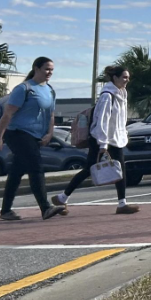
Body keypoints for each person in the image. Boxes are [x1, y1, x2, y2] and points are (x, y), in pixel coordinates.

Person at [53, 65, 138, 215]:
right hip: (102, 139)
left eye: (128, 78)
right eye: (124, 77)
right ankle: (62, 197)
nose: (127, 80)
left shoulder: (121, 94)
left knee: (120, 169)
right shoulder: (107, 96)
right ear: (115, 78)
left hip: (116, 139)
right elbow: (102, 121)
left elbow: (120, 119)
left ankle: (122, 204)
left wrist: (123, 134)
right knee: (88, 170)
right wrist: (103, 144)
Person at [0, 57, 66, 221]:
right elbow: (7, 114)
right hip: (17, 133)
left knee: (16, 172)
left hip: (35, 136)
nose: (49, 73)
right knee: (36, 167)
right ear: (36, 68)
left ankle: (5, 211)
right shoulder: (24, 89)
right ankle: (45, 208)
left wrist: (49, 133)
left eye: (52, 70)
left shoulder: (49, 90)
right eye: (46, 69)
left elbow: (51, 115)